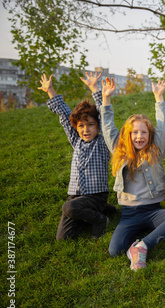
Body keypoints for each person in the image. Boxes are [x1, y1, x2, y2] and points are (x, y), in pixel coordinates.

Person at [100, 77, 165, 271]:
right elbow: (107, 128)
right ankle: (141, 239)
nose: (139, 136)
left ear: (150, 135)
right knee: (114, 250)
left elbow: (164, 126)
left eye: (144, 132)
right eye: (135, 133)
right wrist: (106, 100)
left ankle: (142, 246)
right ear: (128, 135)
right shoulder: (119, 151)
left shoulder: (156, 151)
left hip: (153, 211)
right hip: (129, 215)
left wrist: (159, 97)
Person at [38, 73, 114, 240]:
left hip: (96, 195)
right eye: (81, 126)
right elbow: (65, 115)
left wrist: (95, 88)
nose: (85, 130)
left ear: (98, 126)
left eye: (90, 125)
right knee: (64, 238)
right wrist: (50, 90)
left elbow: (103, 114)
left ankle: (101, 218)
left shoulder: (102, 142)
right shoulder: (76, 140)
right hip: (75, 195)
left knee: (70, 208)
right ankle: (103, 210)